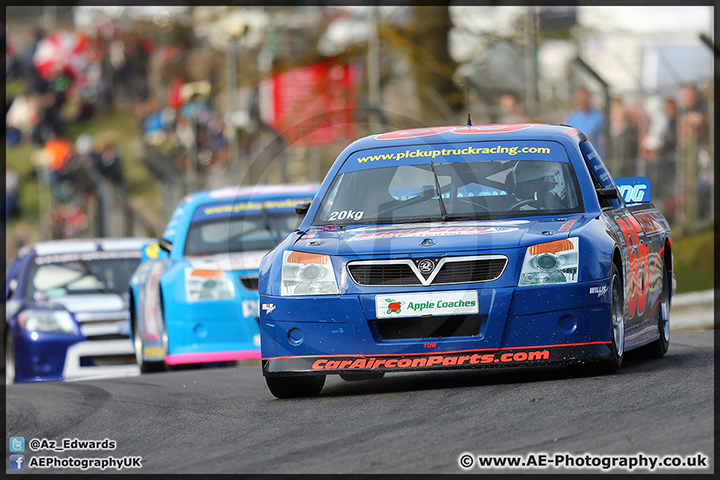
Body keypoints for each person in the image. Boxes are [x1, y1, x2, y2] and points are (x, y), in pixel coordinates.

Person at [564, 87, 604, 156]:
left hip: (595, 155)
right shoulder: (571, 117)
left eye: (585, 99)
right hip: (577, 154)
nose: (582, 102)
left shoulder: (598, 116)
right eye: (580, 99)